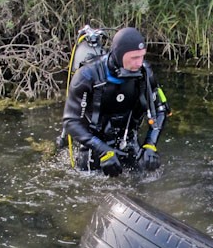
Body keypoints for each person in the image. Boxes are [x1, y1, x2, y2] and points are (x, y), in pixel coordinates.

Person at [61, 26, 169, 176]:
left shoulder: (144, 73)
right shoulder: (87, 76)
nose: (139, 63)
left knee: (144, 179)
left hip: (128, 141)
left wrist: (150, 145)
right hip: (95, 145)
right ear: (119, 54)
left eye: (142, 56)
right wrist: (103, 150)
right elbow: (71, 122)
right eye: (134, 58)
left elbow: (161, 110)